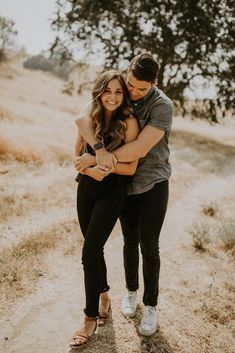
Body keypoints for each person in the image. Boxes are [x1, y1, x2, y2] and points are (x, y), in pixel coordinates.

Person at [76, 53, 173, 336]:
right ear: (128, 73)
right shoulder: (120, 88)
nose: (133, 92)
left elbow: (139, 150)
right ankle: (131, 292)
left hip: (153, 182)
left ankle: (151, 306)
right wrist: (98, 150)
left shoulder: (162, 106)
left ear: (155, 83)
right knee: (130, 241)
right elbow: (83, 117)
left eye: (142, 88)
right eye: (132, 84)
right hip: (124, 185)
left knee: (149, 246)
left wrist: (96, 158)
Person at [69, 70, 139, 349]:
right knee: (93, 248)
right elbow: (77, 155)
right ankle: (104, 295)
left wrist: (99, 168)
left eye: (118, 91)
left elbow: (131, 167)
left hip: (112, 193)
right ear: (100, 92)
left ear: (124, 95)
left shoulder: (129, 123)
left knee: (88, 253)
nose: (112, 96)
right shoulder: (91, 117)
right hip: (85, 188)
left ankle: (89, 319)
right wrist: (88, 163)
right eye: (107, 90)